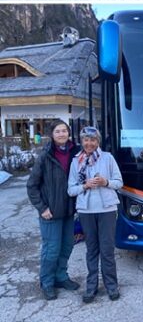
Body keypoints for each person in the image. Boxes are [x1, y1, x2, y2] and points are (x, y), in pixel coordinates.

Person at [26, 120, 81, 301]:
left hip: (68, 211)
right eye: (58, 131)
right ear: (52, 134)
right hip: (50, 212)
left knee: (67, 246)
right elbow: (32, 186)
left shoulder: (76, 152)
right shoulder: (45, 156)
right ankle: (47, 282)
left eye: (64, 130)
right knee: (51, 249)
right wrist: (42, 208)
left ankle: (61, 277)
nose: (62, 134)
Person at [68, 126, 123, 303]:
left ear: (98, 141)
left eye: (93, 140)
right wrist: (85, 185)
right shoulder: (76, 161)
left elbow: (119, 182)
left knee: (107, 250)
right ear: (81, 141)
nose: (89, 143)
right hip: (86, 211)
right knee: (91, 250)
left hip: (107, 210)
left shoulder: (107, 158)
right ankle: (91, 286)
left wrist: (105, 182)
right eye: (86, 140)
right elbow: (70, 190)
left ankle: (111, 286)